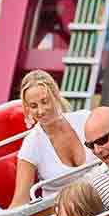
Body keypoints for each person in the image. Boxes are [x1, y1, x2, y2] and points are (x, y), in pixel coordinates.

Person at [10, 70, 96, 207]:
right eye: (33, 106)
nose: (41, 111)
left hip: (101, 197)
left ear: (55, 95)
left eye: (45, 102)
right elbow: (21, 200)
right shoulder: (31, 144)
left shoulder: (85, 119)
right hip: (65, 212)